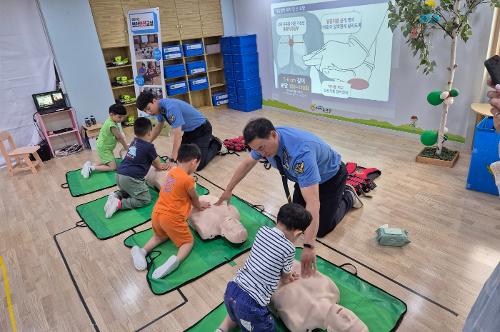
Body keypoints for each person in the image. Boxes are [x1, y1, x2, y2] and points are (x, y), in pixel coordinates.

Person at [216, 118, 363, 277]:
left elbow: (313, 202)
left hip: (330, 177)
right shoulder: (265, 142)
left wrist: (308, 247)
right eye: (257, 150)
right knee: (298, 222)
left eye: (262, 148)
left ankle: (348, 196)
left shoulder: (300, 152)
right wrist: (228, 190)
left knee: (320, 230)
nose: (262, 154)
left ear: (273, 135)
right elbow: (246, 164)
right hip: (303, 178)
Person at [217, 203, 312, 332]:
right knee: (267, 327)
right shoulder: (289, 248)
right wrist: (290, 277)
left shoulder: (262, 230)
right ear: (297, 233)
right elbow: (285, 279)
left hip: (232, 289)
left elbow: (266, 260)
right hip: (251, 304)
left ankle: (221, 330)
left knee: (234, 315)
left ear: (278, 219)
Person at [130, 144, 210, 279]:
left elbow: (176, 192)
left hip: (157, 213)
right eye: (197, 165)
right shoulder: (188, 179)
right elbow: (194, 197)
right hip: (172, 217)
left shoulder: (172, 172)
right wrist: (199, 205)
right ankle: (175, 261)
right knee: (188, 242)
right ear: (194, 162)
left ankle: (142, 251)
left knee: (159, 236)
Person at [136, 91, 227, 171]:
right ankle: (207, 142)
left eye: (148, 108)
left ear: (154, 101)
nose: (149, 113)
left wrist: (172, 160)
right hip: (189, 132)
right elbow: (158, 128)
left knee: (198, 165)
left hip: (202, 130)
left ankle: (216, 144)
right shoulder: (159, 108)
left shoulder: (170, 108)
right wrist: (146, 144)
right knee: (181, 159)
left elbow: (177, 136)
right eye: (145, 111)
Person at [104, 117, 168, 218]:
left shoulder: (134, 141)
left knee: (130, 191)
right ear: (149, 132)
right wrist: (161, 166)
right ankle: (119, 204)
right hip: (130, 178)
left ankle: (116, 195)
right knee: (145, 199)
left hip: (119, 175)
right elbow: (156, 162)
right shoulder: (149, 147)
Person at [81, 104, 128, 178]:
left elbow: (117, 136)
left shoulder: (110, 120)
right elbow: (119, 138)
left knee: (108, 160)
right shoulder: (111, 125)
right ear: (111, 114)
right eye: (119, 117)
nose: (121, 119)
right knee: (113, 167)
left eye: (123, 117)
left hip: (105, 146)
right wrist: (126, 147)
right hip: (104, 147)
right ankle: (91, 168)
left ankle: (91, 165)